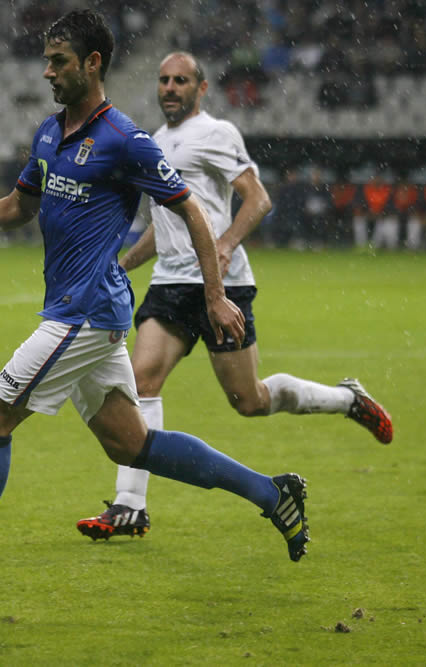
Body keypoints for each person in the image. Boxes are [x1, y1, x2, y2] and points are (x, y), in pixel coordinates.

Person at [0, 10, 311, 602]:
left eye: (58, 61)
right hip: (83, 310)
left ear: (92, 63)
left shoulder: (124, 140)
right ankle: (274, 494)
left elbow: (191, 210)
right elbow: (19, 207)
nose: (47, 72)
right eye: (46, 60)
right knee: (132, 444)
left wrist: (215, 294)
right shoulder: (48, 133)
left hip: (84, 314)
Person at [75, 51, 392, 542]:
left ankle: (346, 399)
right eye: (163, 80)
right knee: (143, 381)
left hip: (222, 286)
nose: (170, 88)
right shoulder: (154, 142)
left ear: (201, 89)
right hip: (169, 286)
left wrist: (223, 246)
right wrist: (120, 265)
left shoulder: (217, 133)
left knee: (249, 399)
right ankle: (129, 506)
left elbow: (258, 198)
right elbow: (166, 227)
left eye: (181, 80)